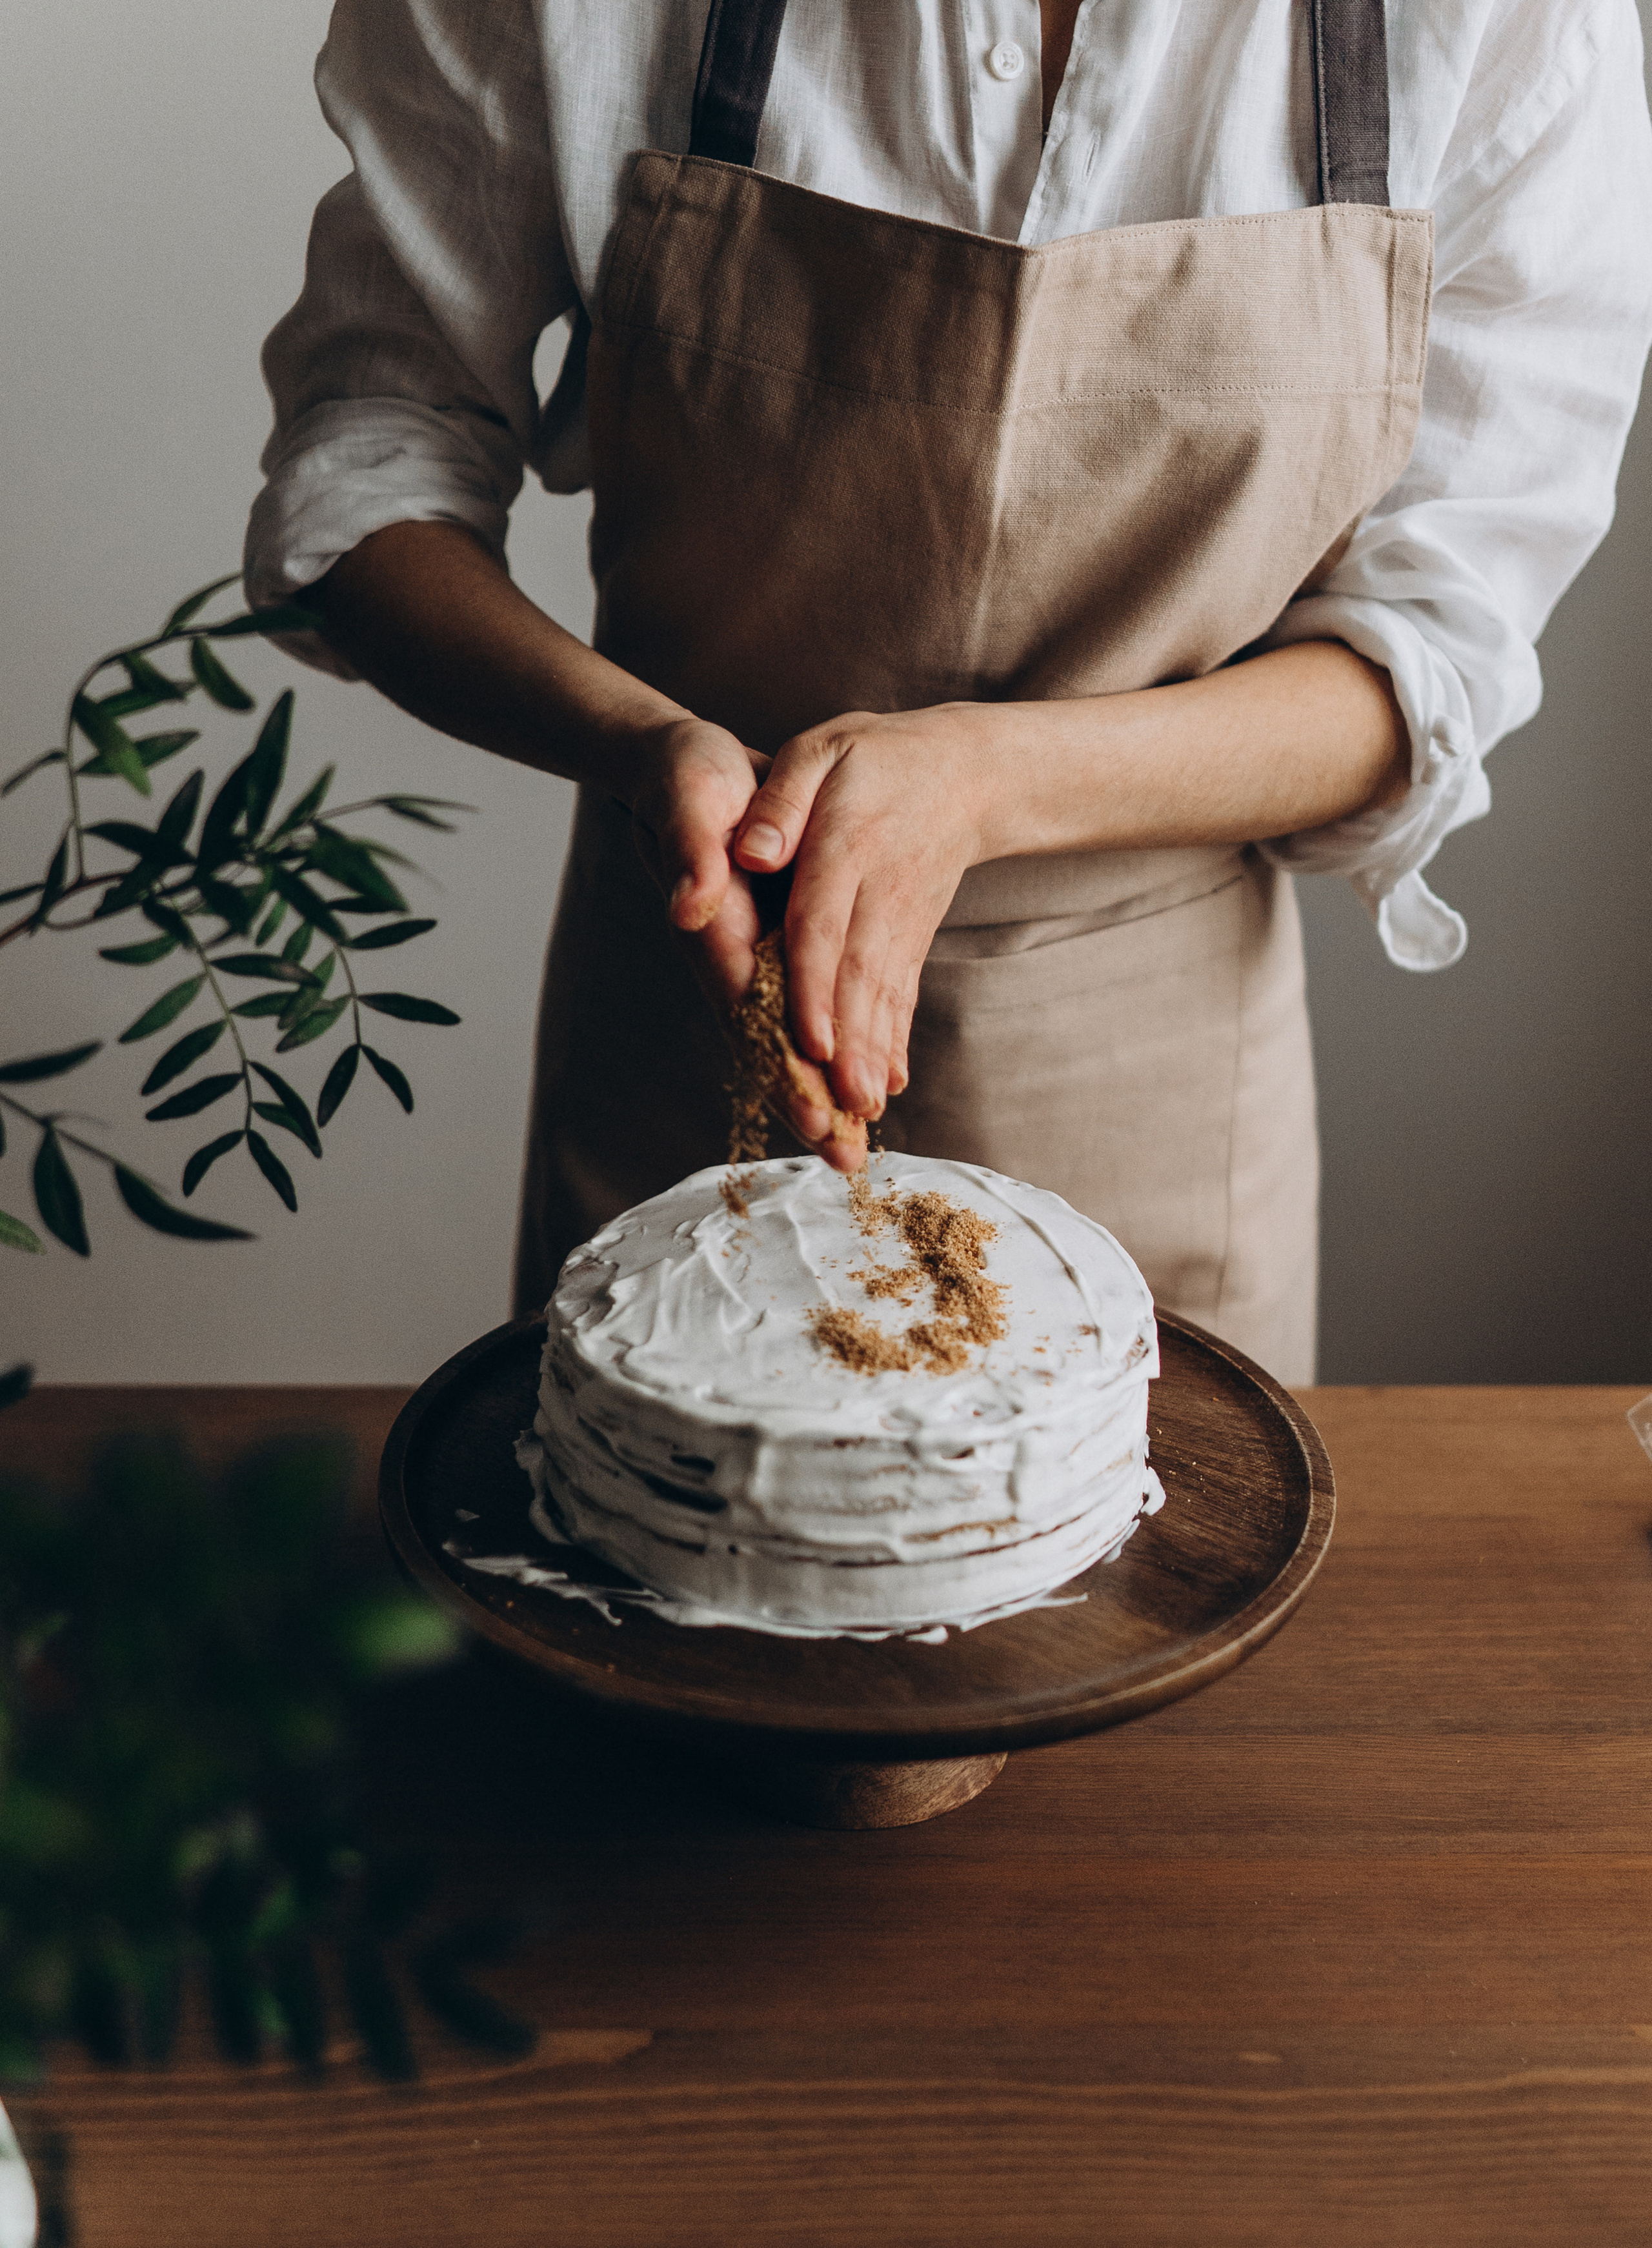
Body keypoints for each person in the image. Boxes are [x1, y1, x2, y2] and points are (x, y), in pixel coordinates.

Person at [247, 0, 1652, 1386]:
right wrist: (642, 743)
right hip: (699, 1029)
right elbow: (373, 457)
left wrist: (980, 782)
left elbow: (1426, 651)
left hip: (1158, 1103)